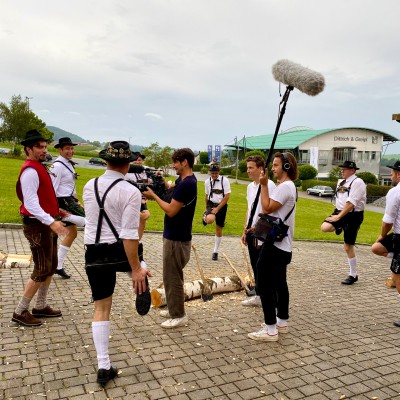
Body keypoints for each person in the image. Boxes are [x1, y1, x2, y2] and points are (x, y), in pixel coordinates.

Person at [83, 141, 150, 387]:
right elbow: (129, 236)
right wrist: (134, 268)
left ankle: (103, 365)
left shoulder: (90, 186)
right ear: (129, 163)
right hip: (119, 250)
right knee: (140, 260)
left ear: (105, 161)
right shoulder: (131, 191)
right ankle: (141, 277)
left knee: (101, 307)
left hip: (93, 251)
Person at [12, 129, 69, 327]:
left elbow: (42, 198)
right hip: (37, 225)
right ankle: (20, 311)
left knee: (51, 265)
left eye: (45, 146)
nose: (44, 150)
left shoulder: (40, 167)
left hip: (46, 223)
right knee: (41, 267)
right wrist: (51, 221)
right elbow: (31, 204)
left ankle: (41, 305)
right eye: (39, 147)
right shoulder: (30, 170)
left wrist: (56, 211)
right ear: (28, 149)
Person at [143, 148, 197, 328]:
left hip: (177, 239)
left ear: (185, 163)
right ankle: (174, 307)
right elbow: (171, 192)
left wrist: (153, 196)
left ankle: (179, 315)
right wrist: (162, 183)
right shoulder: (182, 181)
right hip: (173, 235)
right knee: (169, 276)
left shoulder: (187, 183)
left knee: (173, 277)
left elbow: (171, 210)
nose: (173, 165)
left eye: (175, 162)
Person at [248, 152, 298, 342]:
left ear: (286, 167)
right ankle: (281, 322)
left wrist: (263, 185)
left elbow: (266, 207)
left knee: (264, 284)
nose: (273, 169)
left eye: (276, 165)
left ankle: (270, 329)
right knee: (279, 283)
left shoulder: (285, 187)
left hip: (275, 247)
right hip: (283, 246)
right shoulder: (289, 187)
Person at [321, 161, 366, 285]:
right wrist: (337, 215)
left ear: (353, 170)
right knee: (324, 227)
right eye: (342, 168)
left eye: (346, 169)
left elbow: (351, 203)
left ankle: (353, 275)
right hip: (340, 212)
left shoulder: (358, 183)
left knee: (347, 247)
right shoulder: (341, 182)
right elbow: (340, 201)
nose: (343, 170)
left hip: (353, 215)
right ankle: (339, 227)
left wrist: (338, 217)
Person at [241, 155, 275, 307]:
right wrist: (245, 229)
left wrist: (258, 226)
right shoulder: (250, 187)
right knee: (255, 264)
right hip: (251, 232)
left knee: (264, 266)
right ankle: (259, 295)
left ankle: (269, 296)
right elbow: (249, 209)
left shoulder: (269, 185)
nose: (248, 171)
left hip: (263, 232)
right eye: (247, 167)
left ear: (260, 169)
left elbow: (270, 210)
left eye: (251, 168)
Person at [50, 137, 85, 279]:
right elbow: (51, 189)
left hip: (70, 200)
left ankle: (57, 266)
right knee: (89, 221)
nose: (70, 151)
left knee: (72, 233)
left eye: (71, 148)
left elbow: (71, 185)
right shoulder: (57, 166)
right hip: (62, 201)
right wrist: (57, 209)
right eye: (67, 149)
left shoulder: (69, 164)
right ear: (60, 149)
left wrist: (77, 201)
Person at [371, 161, 400, 326]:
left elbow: (387, 221)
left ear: (398, 174)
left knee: (396, 278)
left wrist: (381, 236)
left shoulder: (395, 192)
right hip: (397, 236)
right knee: (377, 248)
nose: (391, 175)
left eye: (392, 172)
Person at [203, 163, 231, 260]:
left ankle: (215, 251)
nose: (214, 175)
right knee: (210, 219)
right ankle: (206, 216)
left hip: (222, 205)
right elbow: (206, 196)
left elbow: (227, 196)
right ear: (210, 173)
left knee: (219, 229)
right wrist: (206, 208)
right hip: (211, 204)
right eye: (212, 173)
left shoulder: (225, 181)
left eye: (216, 173)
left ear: (219, 172)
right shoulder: (207, 182)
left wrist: (218, 209)